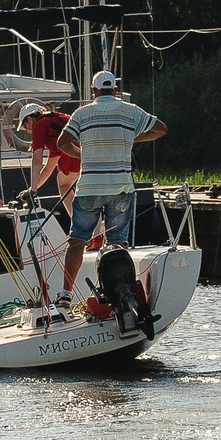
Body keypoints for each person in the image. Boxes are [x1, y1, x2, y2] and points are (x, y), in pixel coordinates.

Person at [57, 70, 164, 303]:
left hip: (88, 188)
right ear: (115, 90)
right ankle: (118, 291)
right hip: (121, 188)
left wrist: (80, 152)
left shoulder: (82, 113)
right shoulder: (131, 110)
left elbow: (62, 142)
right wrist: (130, 138)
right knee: (117, 242)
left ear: (94, 92)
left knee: (77, 240)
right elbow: (160, 129)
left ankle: (65, 294)